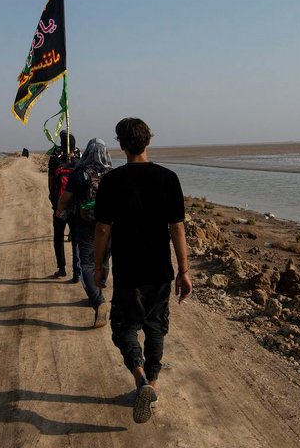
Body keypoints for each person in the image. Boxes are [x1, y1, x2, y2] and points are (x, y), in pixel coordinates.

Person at [92, 117, 192, 425]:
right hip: (160, 269)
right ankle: (153, 383)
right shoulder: (168, 178)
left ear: (121, 145)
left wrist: (99, 265)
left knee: (124, 327)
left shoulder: (111, 181)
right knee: (155, 326)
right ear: (148, 141)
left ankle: (140, 378)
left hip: (128, 270)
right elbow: (177, 227)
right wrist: (183, 270)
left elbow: (103, 229)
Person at [56, 138, 112, 326]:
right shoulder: (112, 173)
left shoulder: (79, 172)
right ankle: (97, 292)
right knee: (103, 260)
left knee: (86, 264)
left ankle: (98, 301)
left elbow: (65, 198)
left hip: (85, 224)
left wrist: (59, 210)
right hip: (108, 226)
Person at [47, 131, 80, 279]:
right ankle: (77, 272)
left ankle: (61, 269)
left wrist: (55, 202)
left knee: (58, 238)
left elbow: (50, 184)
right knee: (76, 239)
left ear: (61, 144)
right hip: (75, 208)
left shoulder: (54, 161)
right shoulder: (79, 162)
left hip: (59, 207)